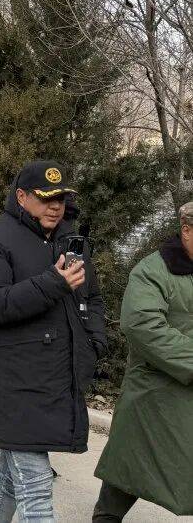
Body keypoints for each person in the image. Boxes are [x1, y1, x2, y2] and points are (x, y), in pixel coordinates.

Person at [0, 160, 106, 522]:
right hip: (11, 383)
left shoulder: (70, 238)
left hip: (53, 382)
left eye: (60, 198)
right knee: (36, 487)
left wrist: (95, 341)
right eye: (45, 198)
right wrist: (52, 283)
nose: (55, 206)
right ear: (22, 197)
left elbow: (92, 297)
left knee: (8, 479)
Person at [92, 201, 193, 520]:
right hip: (156, 391)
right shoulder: (153, 270)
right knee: (134, 458)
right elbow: (142, 325)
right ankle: (106, 516)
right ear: (187, 230)